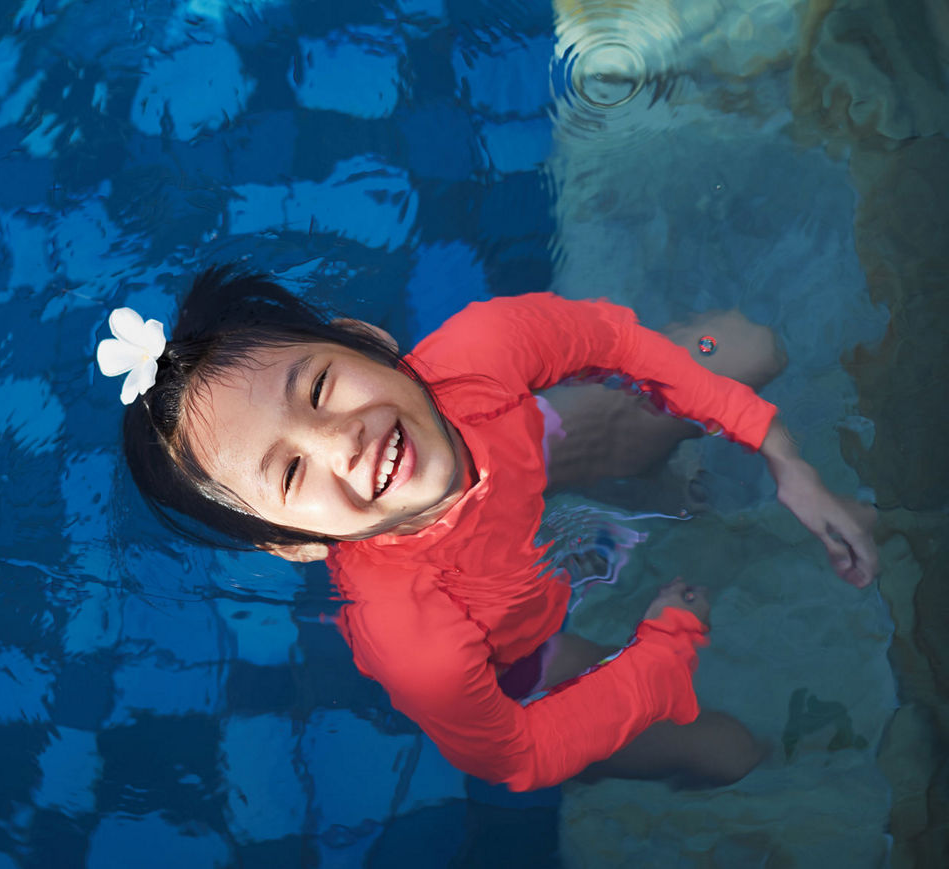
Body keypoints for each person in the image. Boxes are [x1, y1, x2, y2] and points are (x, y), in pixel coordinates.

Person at [97, 265, 878, 791]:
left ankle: (645, 455)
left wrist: (782, 455)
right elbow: (513, 752)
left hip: (532, 446)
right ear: (294, 542)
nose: (341, 441)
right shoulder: (415, 635)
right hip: (521, 648)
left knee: (746, 351)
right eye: (292, 474)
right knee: (727, 749)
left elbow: (614, 341)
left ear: (368, 341)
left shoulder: (481, 352)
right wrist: (661, 654)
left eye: (321, 387)